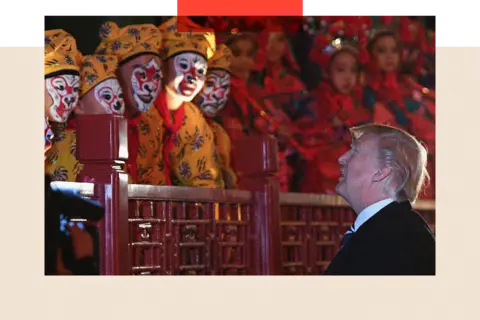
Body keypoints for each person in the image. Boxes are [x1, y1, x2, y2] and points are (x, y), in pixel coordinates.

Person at [324, 124, 435, 275]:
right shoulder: (392, 229)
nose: (342, 158)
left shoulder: (391, 240)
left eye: (354, 151)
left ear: (381, 172)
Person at [193, 44, 238, 189]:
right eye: (211, 83)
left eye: (224, 87)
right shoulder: (181, 122)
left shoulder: (221, 134)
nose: (218, 94)